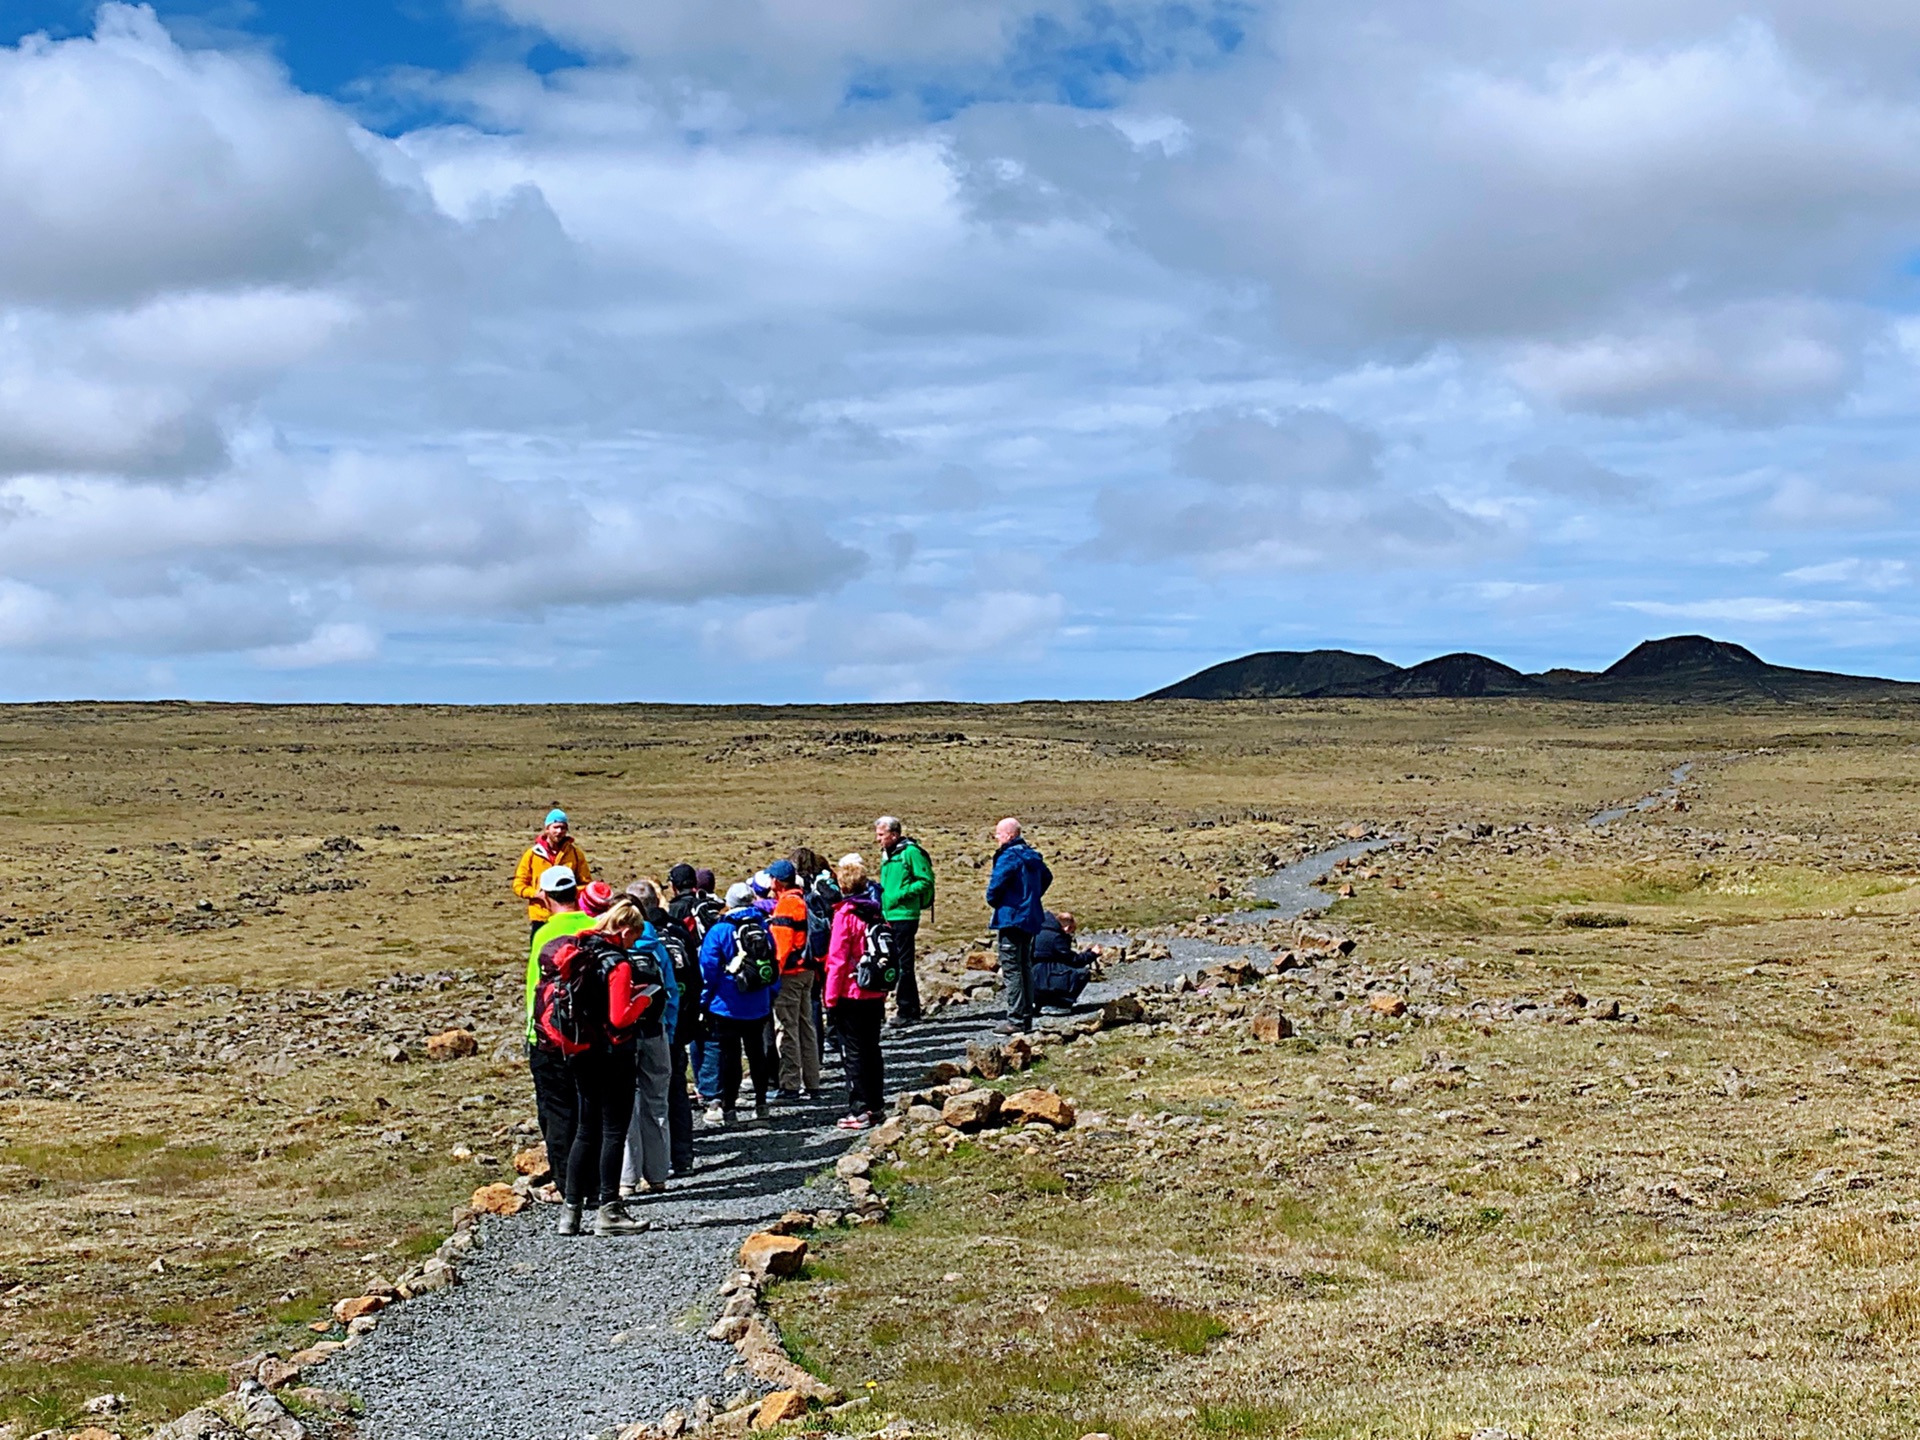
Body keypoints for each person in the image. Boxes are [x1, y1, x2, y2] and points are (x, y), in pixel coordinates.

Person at [533, 898, 660, 1237]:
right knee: (613, 1132)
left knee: (585, 1130)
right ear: (623, 929)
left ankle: (570, 1214)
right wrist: (644, 998)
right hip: (612, 1056)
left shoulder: (581, 949)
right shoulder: (617, 963)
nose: (634, 942)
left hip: (579, 1052)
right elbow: (619, 1018)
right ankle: (610, 1210)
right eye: (634, 936)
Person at [524, 866, 595, 1180]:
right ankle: (597, 1182)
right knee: (592, 1111)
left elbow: (533, 991)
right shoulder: (597, 927)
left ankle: (569, 1188)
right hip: (593, 1036)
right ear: (576, 893)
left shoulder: (543, 935)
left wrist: (532, 1034)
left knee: (557, 1113)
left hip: (551, 1038)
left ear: (547, 897)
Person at [628, 879, 700, 1174]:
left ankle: (632, 1171)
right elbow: (683, 986)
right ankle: (679, 1158)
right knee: (672, 1094)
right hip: (666, 1028)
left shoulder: (621, 944)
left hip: (629, 1031)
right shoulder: (672, 937)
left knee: (633, 1101)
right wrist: (677, 1028)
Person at [612, 889, 677, 1200]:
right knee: (657, 1103)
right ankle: (659, 1174)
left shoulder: (612, 951)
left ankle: (627, 1178)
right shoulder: (657, 946)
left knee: (625, 1104)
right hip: (655, 1030)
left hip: (623, 1035)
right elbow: (672, 990)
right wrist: (669, 1028)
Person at [697, 881, 779, 1127]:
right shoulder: (763, 926)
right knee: (757, 1054)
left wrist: (704, 1000)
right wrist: (771, 992)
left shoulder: (720, 931)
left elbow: (708, 969)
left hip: (727, 1005)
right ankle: (762, 1105)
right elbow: (772, 962)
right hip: (758, 1002)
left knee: (729, 1057)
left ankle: (729, 1109)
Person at [824, 854, 889, 1130]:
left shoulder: (845, 915)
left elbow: (837, 959)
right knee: (872, 1048)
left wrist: (830, 998)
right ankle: (876, 1105)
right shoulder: (875, 911)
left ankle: (859, 1109)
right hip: (875, 989)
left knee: (853, 1052)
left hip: (851, 992)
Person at [986, 817, 1052, 1035]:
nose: (996, 838)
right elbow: (1047, 876)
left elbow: (996, 885)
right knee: (1024, 966)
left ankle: (1016, 1020)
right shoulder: (1032, 856)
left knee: (1013, 968)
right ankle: (1026, 1018)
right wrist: (1032, 898)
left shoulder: (1009, 856)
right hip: (1029, 917)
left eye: (998, 834)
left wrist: (998, 901)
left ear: (1009, 835)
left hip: (1011, 916)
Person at [766, 859, 820, 1101]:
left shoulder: (786, 906)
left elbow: (782, 946)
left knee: (787, 1029)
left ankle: (790, 1083)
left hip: (790, 974)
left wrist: (772, 976)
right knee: (806, 1026)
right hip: (808, 971)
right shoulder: (805, 899)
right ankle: (812, 1080)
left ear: (777, 881)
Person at [875, 816, 936, 1026]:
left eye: (881, 835)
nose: (878, 839)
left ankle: (908, 1010)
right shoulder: (888, 854)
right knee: (894, 961)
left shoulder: (910, 853)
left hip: (905, 915)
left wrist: (901, 894)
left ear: (894, 834)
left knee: (903, 964)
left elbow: (926, 881)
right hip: (889, 914)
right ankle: (907, 1008)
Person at [512, 810, 592, 943]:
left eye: (563, 827)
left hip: (567, 916)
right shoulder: (532, 855)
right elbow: (518, 884)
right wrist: (536, 894)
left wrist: (568, 893)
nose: (559, 831)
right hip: (541, 917)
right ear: (547, 829)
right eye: (556, 827)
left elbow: (586, 884)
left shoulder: (576, 854)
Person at [1031, 909, 1095, 1010]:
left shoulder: (1038, 930)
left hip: (1032, 975)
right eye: (1072, 931)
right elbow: (1073, 960)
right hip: (1046, 977)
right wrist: (1092, 954)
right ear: (1067, 927)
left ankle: (1040, 1002)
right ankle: (1060, 1003)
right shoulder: (1057, 937)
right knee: (1082, 973)